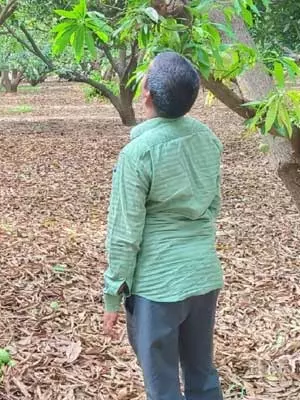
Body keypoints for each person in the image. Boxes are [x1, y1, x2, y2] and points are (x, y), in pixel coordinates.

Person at [102, 52, 224, 400]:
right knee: (202, 374)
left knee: (163, 385)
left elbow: (125, 235)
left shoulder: (138, 154)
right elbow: (212, 204)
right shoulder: (207, 139)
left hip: (158, 288)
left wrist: (113, 294)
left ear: (147, 95)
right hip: (203, 276)